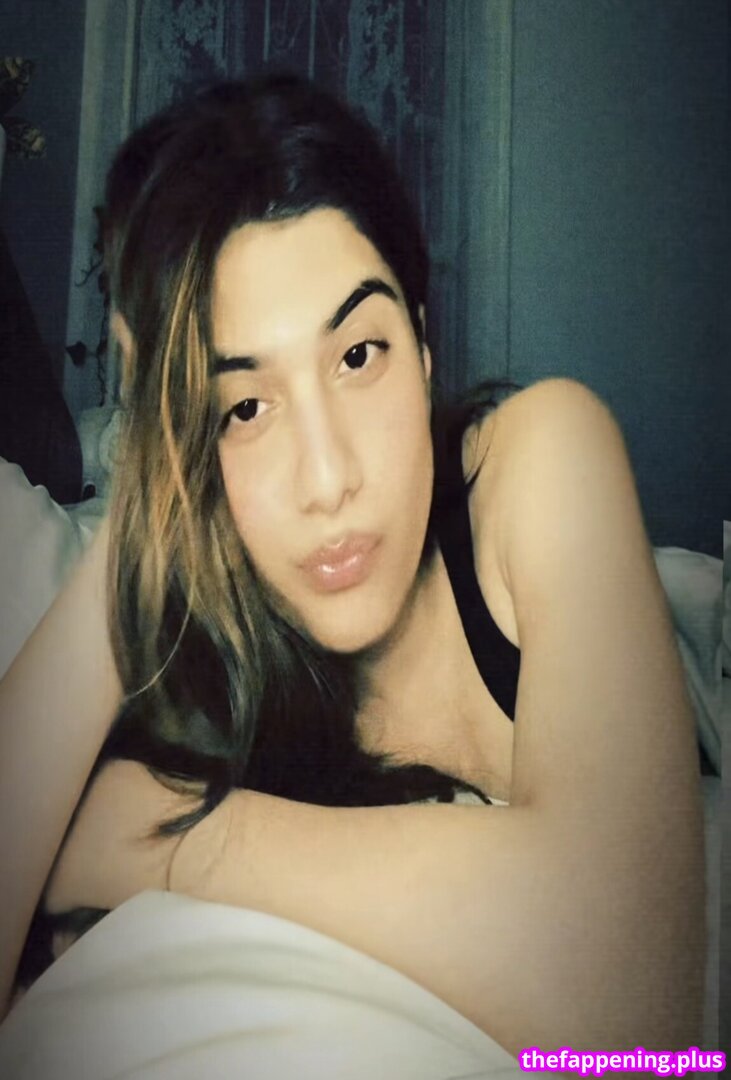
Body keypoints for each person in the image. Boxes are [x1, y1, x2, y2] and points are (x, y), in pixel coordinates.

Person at [0, 75, 704, 1060]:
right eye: (243, 407)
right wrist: (147, 482)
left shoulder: (542, 447)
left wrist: (158, 834)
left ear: (421, 343)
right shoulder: (208, 667)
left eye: (359, 355)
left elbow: (637, 1014)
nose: (327, 479)